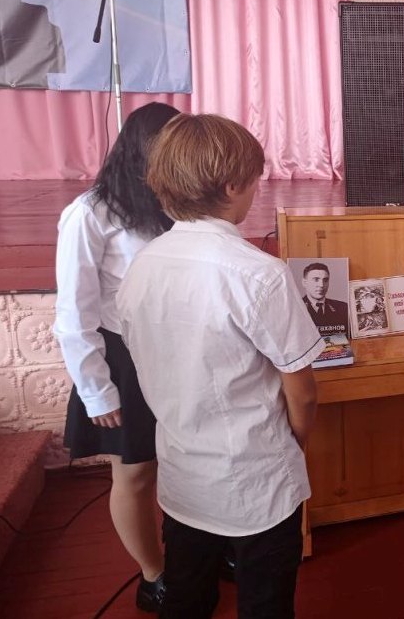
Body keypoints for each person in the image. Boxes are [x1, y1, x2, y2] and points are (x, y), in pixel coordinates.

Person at [116, 113, 323, 618]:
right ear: (232, 186)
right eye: (255, 179)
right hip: (257, 479)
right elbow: (302, 391)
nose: (257, 189)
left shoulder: (141, 266)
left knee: (186, 596)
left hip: (182, 472)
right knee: (266, 603)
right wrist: (294, 442)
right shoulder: (259, 274)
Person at [53, 102, 180, 612]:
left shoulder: (176, 203)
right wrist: (96, 390)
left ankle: (195, 554)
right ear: (141, 150)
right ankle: (154, 576)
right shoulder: (89, 213)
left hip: (177, 349)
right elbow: (73, 312)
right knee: (135, 472)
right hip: (122, 359)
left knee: (186, 461)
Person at [301, 262, 349, 335]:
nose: (321, 285)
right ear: (305, 283)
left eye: (325, 280)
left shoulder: (343, 308)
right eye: (316, 279)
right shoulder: (296, 308)